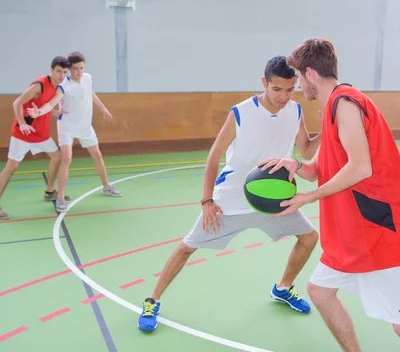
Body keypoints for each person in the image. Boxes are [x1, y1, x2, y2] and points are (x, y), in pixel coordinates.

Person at [137, 56, 320, 332]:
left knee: (309, 238)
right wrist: (207, 201)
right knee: (187, 247)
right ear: (264, 83)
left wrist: (329, 129)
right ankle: (152, 300)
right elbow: (214, 156)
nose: (283, 96)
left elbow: (305, 150)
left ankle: (282, 288)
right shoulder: (241, 112)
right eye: (277, 89)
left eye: (289, 89)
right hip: (231, 200)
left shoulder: (294, 111)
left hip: (273, 200)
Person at [261, 38, 400, 352]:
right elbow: (320, 167)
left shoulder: (346, 104)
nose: (296, 88)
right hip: (353, 233)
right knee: (320, 292)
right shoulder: (336, 106)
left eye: (298, 80)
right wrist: (296, 165)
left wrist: (309, 197)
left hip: (375, 231)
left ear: (310, 73)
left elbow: (360, 167)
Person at [27, 51, 122, 213]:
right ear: (69, 69)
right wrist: (39, 112)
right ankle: (61, 197)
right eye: (76, 69)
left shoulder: (87, 78)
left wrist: (102, 107)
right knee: (67, 158)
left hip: (85, 126)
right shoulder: (64, 86)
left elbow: (89, 92)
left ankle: (107, 186)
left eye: (81, 68)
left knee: (97, 155)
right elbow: (51, 104)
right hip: (67, 126)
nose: (79, 72)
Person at [0, 56, 71, 221]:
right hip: (23, 134)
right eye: (58, 71)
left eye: (64, 72)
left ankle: (50, 191)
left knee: (58, 156)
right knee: (12, 167)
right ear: (51, 70)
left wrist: (53, 112)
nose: (61, 75)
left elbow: (44, 105)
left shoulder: (58, 87)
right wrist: (22, 123)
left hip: (41, 135)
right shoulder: (39, 85)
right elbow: (17, 103)